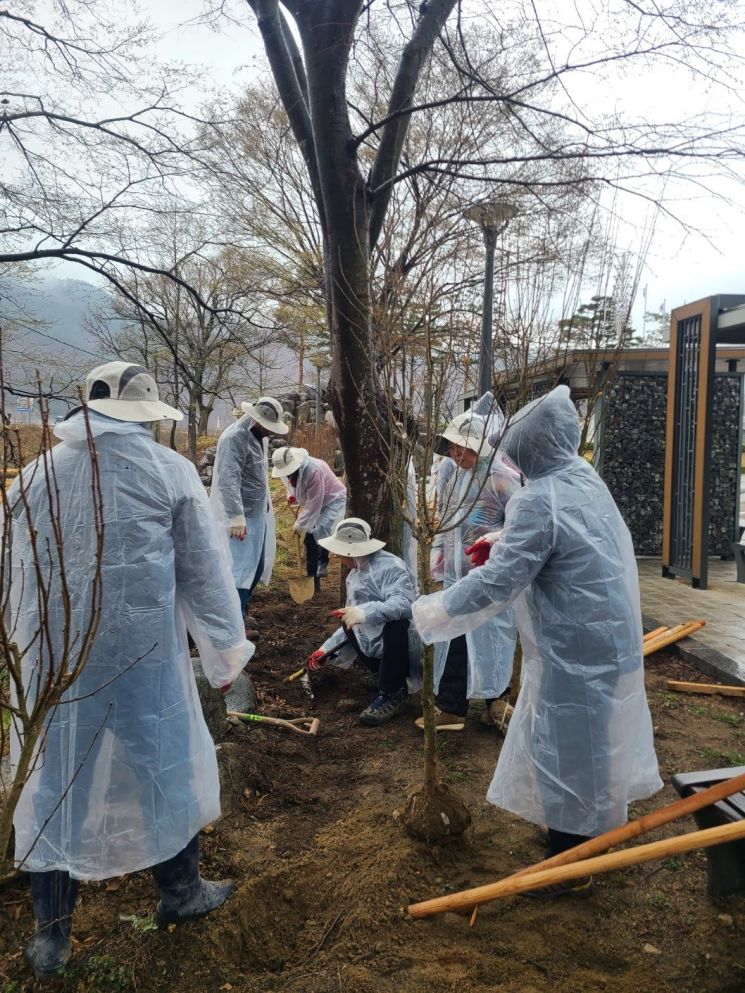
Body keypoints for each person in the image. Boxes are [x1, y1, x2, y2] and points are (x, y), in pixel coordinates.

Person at [7, 362, 254, 977]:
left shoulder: (32, 478)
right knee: (162, 765)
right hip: (142, 661)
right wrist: (226, 653)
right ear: (144, 415)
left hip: (54, 667)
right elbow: (205, 574)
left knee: (56, 781)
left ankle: (51, 937)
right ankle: (181, 892)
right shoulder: (169, 472)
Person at [413, 385, 662, 889]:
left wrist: (432, 611)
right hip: (606, 641)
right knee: (594, 743)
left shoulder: (537, 498)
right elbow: (562, 533)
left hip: (574, 651)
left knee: (569, 748)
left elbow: (497, 583)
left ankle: (568, 865)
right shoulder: (583, 478)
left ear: (527, 450)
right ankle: (581, 837)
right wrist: (501, 538)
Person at [417, 407, 521, 732]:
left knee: (494, 636)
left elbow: (521, 527)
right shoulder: (454, 475)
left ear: (478, 444)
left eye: (461, 446)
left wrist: (495, 541)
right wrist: (439, 559)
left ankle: (496, 702)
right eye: (451, 446)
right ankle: (453, 707)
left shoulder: (503, 478)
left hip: (491, 576)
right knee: (457, 636)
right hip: (457, 576)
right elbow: (446, 521)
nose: (454, 452)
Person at [306, 518, 421, 726]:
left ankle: (393, 692)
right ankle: (382, 673)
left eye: (340, 552)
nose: (338, 557)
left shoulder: (390, 567)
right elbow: (353, 617)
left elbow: (405, 604)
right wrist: (326, 650)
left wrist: (365, 612)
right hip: (381, 640)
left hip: (406, 640)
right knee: (346, 619)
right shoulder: (356, 574)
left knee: (396, 626)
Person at [210, 396, 288, 628]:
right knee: (240, 570)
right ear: (257, 420)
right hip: (240, 519)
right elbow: (228, 479)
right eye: (268, 426)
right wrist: (236, 517)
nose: (270, 431)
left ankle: (242, 611)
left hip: (256, 514)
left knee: (256, 567)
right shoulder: (234, 438)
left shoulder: (257, 436)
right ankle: (234, 623)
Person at [271, 446, 346, 583]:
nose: (287, 474)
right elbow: (290, 485)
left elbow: (314, 503)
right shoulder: (286, 468)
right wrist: (291, 495)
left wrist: (300, 524)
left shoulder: (313, 470)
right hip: (316, 501)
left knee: (320, 531)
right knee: (310, 541)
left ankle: (323, 561)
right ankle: (312, 580)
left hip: (332, 500)